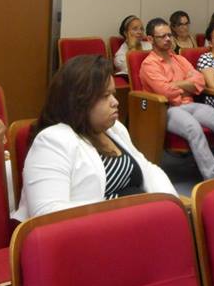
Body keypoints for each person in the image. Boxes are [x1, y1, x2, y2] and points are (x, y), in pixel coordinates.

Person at [13, 54, 176, 220]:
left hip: (137, 221)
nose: (115, 102)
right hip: (91, 234)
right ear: (78, 101)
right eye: (105, 96)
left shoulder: (114, 129)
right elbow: (47, 213)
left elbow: (148, 168)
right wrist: (123, 211)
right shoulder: (52, 141)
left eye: (113, 94)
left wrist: (170, 205)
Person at [140, 17, 214, 180]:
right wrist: (187, 86)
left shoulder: (180, 59)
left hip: (191, 105)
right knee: (193, 128)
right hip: (167, 110)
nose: (167, 39)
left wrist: (177, 85)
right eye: (162, 36)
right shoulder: (149, 64)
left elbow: (199, 81)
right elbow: (165, 92)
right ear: (150, 39)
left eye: (169, 35)